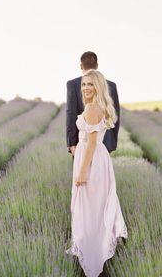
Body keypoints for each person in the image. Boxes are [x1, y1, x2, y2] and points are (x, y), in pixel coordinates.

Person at [66, 69, 128, 277]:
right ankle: (95, 252)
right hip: (97, 160)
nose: (85, 88)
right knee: (95, 208)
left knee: (89, 210)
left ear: (98, 86)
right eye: (83, 84)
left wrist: (82, 172)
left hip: (91, 162)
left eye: (90, 84)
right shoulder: (97, 106)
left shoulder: (92, 108)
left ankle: (92, 260)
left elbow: (91, 144)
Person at [66, 51, 120, 156]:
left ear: (81, 65)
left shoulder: (72, 84)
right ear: (97, 65)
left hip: (81, 145)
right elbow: (115, 115)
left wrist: (72, 144)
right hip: (105, 144)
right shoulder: (111, 85)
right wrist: (112, 143)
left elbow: (71, 114)